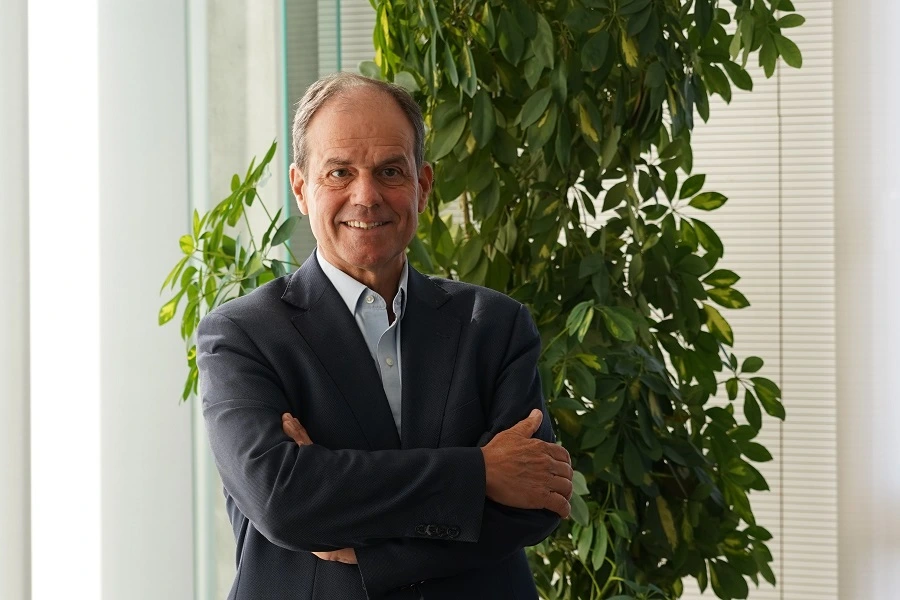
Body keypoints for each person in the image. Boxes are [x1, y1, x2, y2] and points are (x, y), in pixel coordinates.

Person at [197, 72, 573, 600]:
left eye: (390, 171)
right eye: (339, 173)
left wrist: (363, 542)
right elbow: (285, 498)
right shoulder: (241, 335)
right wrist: (479, 473)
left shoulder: (495, 325)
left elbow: (537, 500)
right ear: (301, 188)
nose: (366, 195)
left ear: (423, 185)